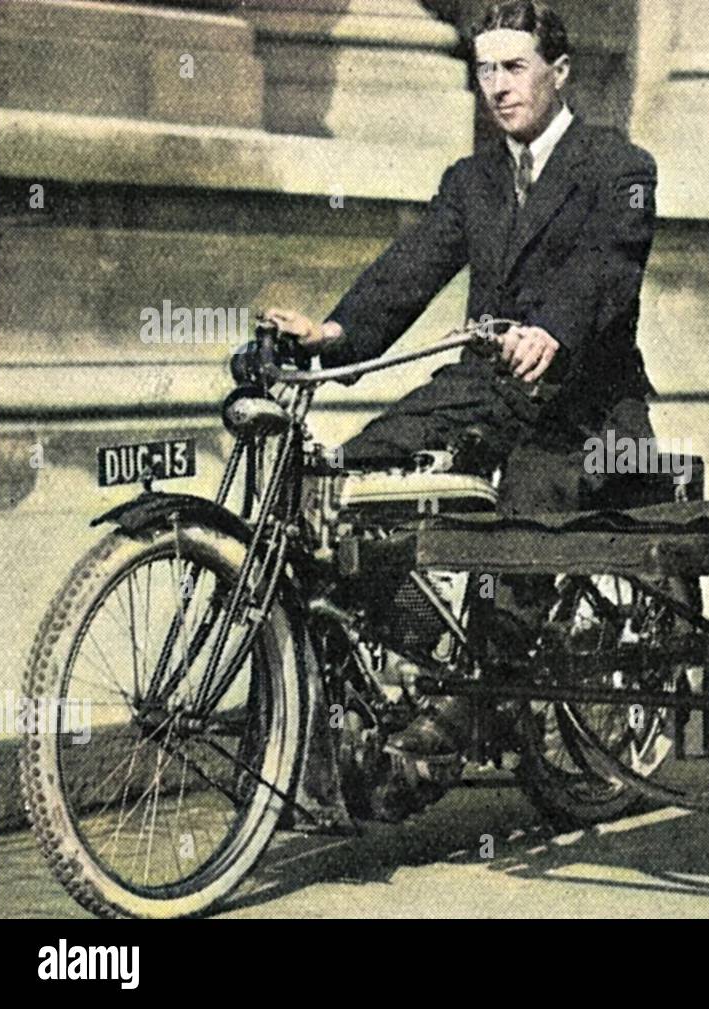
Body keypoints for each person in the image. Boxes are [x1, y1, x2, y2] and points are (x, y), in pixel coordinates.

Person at [265, 1, 660, 768]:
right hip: (485, 391)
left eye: (515, 68)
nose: (499, 87)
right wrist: (335, 335)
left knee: (524, 526)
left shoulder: (619, 167)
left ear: (560, 73)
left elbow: (609, 264)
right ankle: (386, 670)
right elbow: (410, 269)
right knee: (352, 471)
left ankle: (476, 710)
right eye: (486, 70)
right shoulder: (473, 180)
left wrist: (552, 328)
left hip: (585, 411)